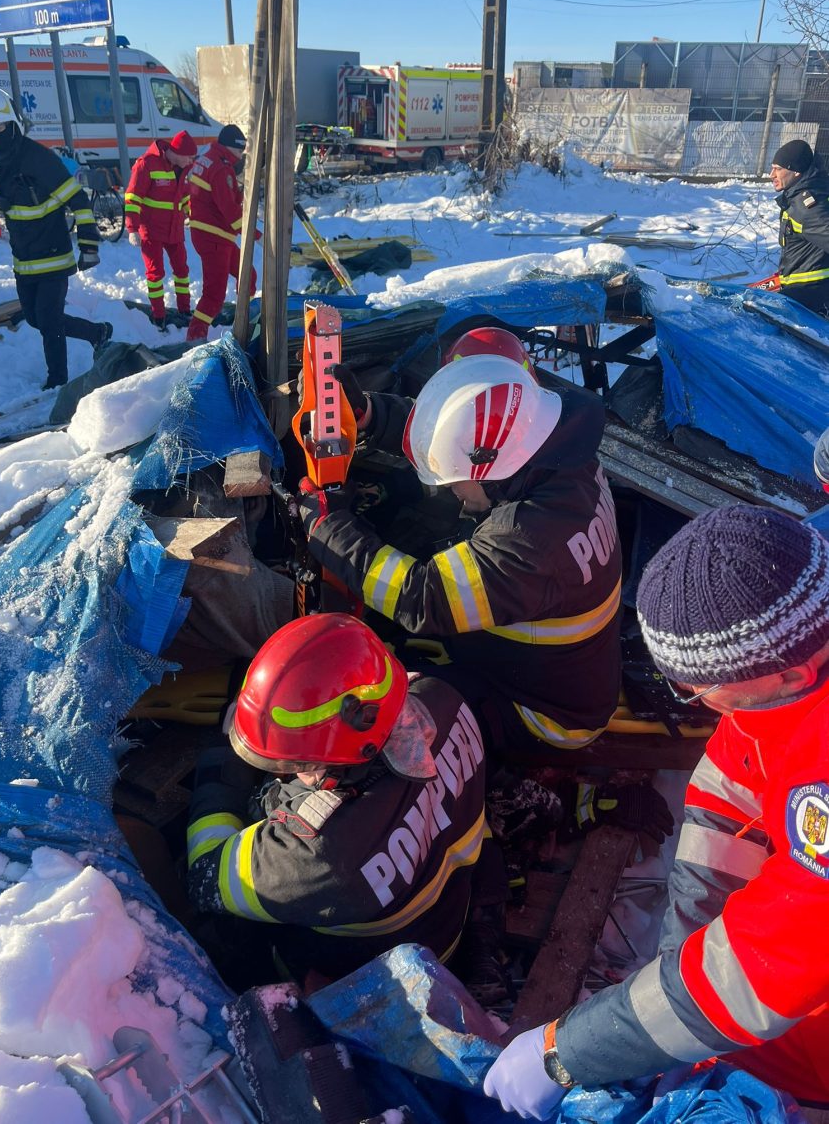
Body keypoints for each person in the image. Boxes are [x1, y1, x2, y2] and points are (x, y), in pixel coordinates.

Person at [484, 505, 829, 1118]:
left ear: (792, 673)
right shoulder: (798, 632)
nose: (699, 704)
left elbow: (759, 976)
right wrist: (679, 960)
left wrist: (568, 1053)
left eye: (700, 691)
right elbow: (733, 780)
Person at [296, 350, 623, 754]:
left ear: (496, 466)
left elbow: (420, 598)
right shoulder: (559, 448)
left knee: (391, 727)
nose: (451, 488)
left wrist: (329, 531)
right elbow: (467, 437)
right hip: (548, 668)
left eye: (456, 479)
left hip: (541, 713)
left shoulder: (528, 542)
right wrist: (369, 415)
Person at [186, 612, 488, 981]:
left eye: (299, 761)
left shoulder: (313, 854)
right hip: (445, 924)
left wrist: (220, 771)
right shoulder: (443, 700)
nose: (285, 772)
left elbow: (205, 879)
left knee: (227, 935)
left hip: (367, 982)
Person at [0, 87, 111, 389]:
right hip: (23, 259)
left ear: (11, 123)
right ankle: (97, 333)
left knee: (48, 321)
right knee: (35, 319)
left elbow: (77, 200)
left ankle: (57, 380)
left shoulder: (37, 158)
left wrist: (88, 244)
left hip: (54, 255)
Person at [186, 124, 258, 343]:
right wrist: (255, 235)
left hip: (210, 234)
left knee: (248, 276)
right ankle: (195, 337)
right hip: (214, 237)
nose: (240, 158)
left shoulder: (207, 158)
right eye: (239, 152)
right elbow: (230, 212)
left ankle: (245, 321)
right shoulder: (221, 169)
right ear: (230, 148)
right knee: (214, 296)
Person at [125, 129, 197, 332]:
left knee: (182, 271)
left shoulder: (182, 167)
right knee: (155, 274)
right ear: (179, 152)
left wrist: (187, 211)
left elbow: (183, 193)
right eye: (189, 157)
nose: (191, 161)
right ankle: (159, 316)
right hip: (152, 230)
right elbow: (133, 198)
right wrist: (132, 228)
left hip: (174, 229)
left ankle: (185, 310)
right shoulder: (147, 164)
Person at [768, 139, 829, 316]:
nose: (771, 174)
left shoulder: (806, 207)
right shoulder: (804, 195)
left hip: (807, 295)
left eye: (778, 169)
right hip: (803, 288)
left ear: (796, 172)